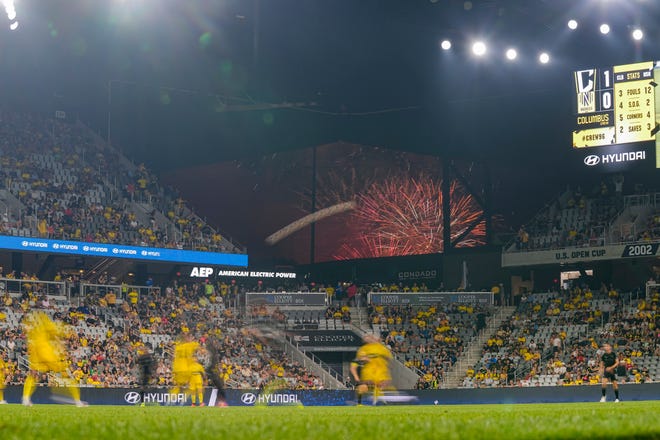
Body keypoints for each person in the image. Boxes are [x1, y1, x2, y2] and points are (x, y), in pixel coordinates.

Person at [22, 311, 86, 407]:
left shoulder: (29, 323)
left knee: (33, 375)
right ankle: (77, 401)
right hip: (45, 351)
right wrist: (61, 343)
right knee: (66, 374)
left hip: (35, 352)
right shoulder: (47, 322)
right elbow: (57, 333)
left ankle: (25, 398)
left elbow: (28, 336)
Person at [350, 333, 393, 405]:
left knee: (378, 385)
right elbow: (356, 363)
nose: (368, 338)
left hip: (379, 372)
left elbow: (388, 358)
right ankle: (362, 403)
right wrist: (364, 359)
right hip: (369, 372)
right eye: (366, 337)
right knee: (365, 387)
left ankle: (378, 401)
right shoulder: (363, 349)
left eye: (369, 337)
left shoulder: (381, 348)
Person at [205, 336, 228, 407]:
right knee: (220, 387)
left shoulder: (210, 351)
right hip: (212, 372)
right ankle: (221, 402)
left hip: (211, 371)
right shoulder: (212, 352)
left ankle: (221, 402)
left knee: (219, 387)